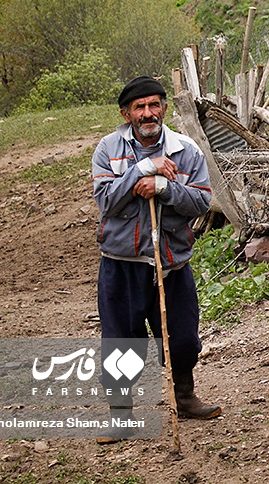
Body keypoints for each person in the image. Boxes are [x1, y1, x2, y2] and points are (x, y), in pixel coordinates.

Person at [91, 76, 221, 443]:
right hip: (122, 263)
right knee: (121, 340)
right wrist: (142, 170)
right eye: (139, 107)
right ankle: (122, 416)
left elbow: (200, 202)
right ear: (126, 113)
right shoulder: (108, 149)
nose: (148, 113)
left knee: (181, 338)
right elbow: (106, 202)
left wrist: (163, 187)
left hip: (171, 261)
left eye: (154, 105)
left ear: (164, 108)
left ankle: (184, 397)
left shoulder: (186, 150)